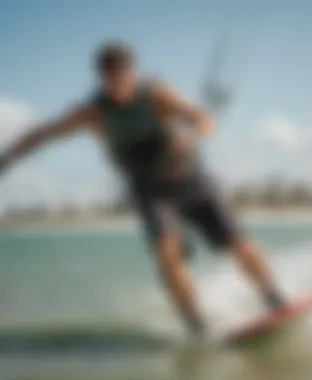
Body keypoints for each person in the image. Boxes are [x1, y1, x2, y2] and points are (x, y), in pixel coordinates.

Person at [0, 42, 287, 337]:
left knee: (238, 243)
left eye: (125, 78)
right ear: (102, 79)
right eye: (112, 81)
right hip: (150, 193)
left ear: (133, 72)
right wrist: (6, 158)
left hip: (191, 179)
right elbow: (43, 134)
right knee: (167, 254)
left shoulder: (155, 94)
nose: (119, 87)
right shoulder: (93, 112)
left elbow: (203, 119)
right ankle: (198, 327)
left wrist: (190, 134)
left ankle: (274, 299)